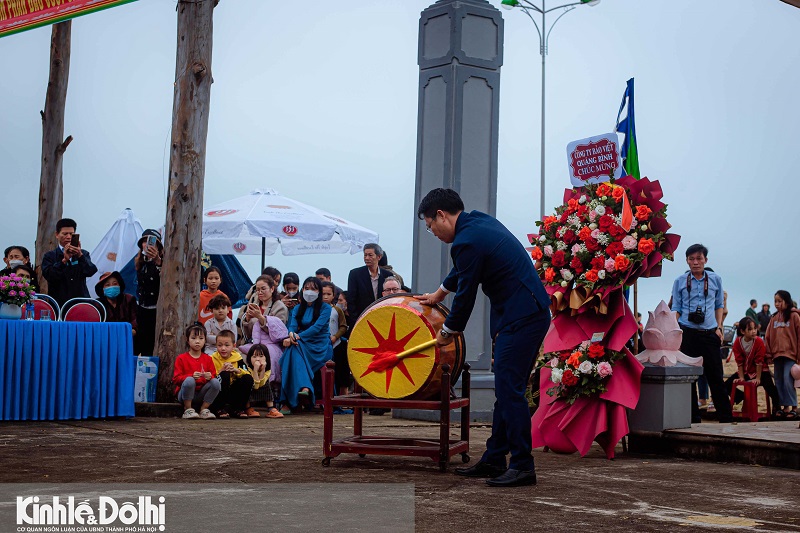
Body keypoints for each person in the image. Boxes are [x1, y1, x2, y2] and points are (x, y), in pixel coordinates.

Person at [414, 188, 551, 488]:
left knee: (510, 391)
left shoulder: (466, 240)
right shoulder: (476, 223)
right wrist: (440, 293)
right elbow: (464, 268)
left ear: (441, 215)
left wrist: (448, 331)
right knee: (507, 389)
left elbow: (467, 293)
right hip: (525, 312)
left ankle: (523, 465)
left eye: (429, 225)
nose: (432, 231)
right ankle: (494, 458)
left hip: (522, 316)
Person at [671, 244, 732, 424]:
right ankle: (693, 417)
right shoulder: (680, 281)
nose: (695, 262)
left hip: (709, 332)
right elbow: (676, 307)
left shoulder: (715, 279)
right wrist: (675, 331)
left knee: (716, 376)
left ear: (706, 260)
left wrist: (719, 327)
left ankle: (726, 418)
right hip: (688, 331)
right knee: (689, 376)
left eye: (699, 258)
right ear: (687, 261)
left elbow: (718, 304)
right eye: (691, 259)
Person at [279, 277, 333, 414]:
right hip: (301, 342)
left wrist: (297, 337)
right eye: (307, 288)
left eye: (313, 289)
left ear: (319, 292)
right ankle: (305, 389)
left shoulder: (326, 308)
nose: (309, 292)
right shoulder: (297, 308)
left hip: (320, 346)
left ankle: (286, 401)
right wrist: (291, 335)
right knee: (292, 349)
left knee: (291, 351)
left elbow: (317, 328)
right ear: (302, 290)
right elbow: (291, 326)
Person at [724, 317, 779, 412]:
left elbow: (759, 361)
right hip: (746, 371)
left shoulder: (759, 341)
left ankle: (776, 408)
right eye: (750, 329)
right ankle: (742, 397)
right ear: (742, 331)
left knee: (771, 389)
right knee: (726, 385)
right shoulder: (738, 342)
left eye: (755, 328)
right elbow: (739, 361)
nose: (753, 331)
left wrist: (757, 378)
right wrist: (741, 377)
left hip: (761, 371)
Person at [41, 218, 98, 306]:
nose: (68, 237)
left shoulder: (84, 253)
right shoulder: (50, 256)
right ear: (57, 234)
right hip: (58, 304)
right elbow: (49, 275)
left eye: (71, 234)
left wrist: (80, 256)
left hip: (81, 303)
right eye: (65, 234)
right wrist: (64, 261)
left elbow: (91, 271)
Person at [765, 290, 800, 419]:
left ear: (787, 301)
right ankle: (784, 407)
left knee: (787, 379)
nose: (777, 304)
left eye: (780, 301)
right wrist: (769, 354)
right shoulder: (773, 318)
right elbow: (768, 337)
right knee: (778, 381)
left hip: (791, 354)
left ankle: (794, 407)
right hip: (777, 355)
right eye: (775, 301)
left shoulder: (794, 316)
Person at [172, 323, 220, 419]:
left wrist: (209, 377)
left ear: (205, 340)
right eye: (193, 338)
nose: (197, 341)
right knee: (189, 380)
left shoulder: (208, 359)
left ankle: (204, 409)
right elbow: (176, 379)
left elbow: (214, 375)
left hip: (201, 394)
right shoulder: (181, 358)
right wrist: (190, 376)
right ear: (187, 340)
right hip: (185, 393)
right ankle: (188, 409)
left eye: (201, 338)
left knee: (215, 382)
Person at [346, 244, 392, 330]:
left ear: (379, 257)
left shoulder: (387, 275)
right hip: (361, 321)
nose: (367, 258)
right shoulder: (355, 274)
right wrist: (356, 321)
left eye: (370, 255)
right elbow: (351, 301)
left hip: (382, 321)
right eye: (365, 255)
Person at [210, 329, 254, 419]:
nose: (223, 348)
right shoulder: (212, 359)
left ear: (233, 346)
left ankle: (239, 409)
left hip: (232, 392)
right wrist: (220, 372)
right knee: (225, 375)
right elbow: (209, 378)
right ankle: (219, 408)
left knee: (247, 378)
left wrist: (236, 370)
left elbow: (248, 373)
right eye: (220, 345)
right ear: (216, 346)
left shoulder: (238, 358)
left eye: (227, 345)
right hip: (218, 394)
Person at [134, 229, 163, 356]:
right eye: (144, 242)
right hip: (142, 308)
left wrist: (158, 261)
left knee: (152, 344)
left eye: (151, 242)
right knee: (139, 342)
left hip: (157, 310)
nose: (147, 244)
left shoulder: (164, 262)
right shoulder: (140, 262)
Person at [239, 275, 289, 345]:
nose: (260, 292)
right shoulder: (255, 305)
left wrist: (260, 317)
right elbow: (247, 335)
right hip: (252, 343)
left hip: (271, 345)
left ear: (272, 289)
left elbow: (278, 332)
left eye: (263, 289)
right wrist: (247, 320)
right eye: (258, 290)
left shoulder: (280, 307)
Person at [321, 281, 350, 399]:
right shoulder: (316, 310)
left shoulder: (337, 310)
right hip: (321, 345)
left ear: (334, 295)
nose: (326, 297)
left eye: (329, 294)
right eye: (323, 294)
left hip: (335, 345)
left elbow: (343, 326)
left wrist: (335, 336)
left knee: (339, 373)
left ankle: (340, 397)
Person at [94, 271, 138, 337]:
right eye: (107, 285)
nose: (111, 287)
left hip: (127, 336)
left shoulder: (129, 299)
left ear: (119, 286)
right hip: (106, 337)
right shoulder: (98, 304)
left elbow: (135, 319)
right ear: (102, 289)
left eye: (115, 284)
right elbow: (96, 326)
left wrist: (132, 330)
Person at [246, 344, 284, 418]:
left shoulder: (268, 370)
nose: (257, 359)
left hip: (261, 385)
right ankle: (247, 408)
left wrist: (262, 369)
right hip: (252, 388)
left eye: (261, 356)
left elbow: (262, 383)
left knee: (266, 384)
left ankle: (271, 408)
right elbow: (255, 385)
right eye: (254, 356)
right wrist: (255, 371)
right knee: (247, 386)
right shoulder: (248, 369)